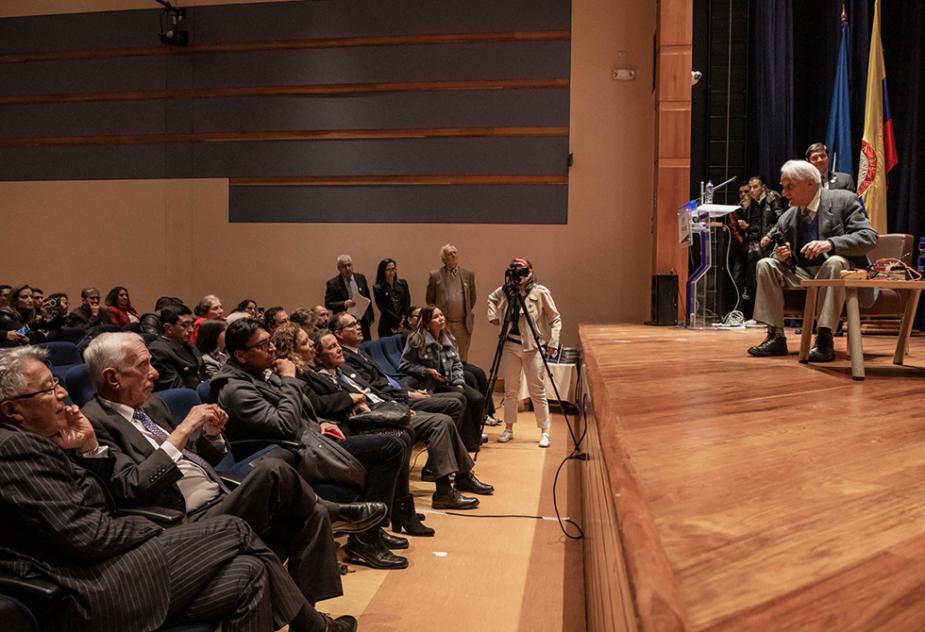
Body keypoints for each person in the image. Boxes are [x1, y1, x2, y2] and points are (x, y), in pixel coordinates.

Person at [0, 345, 355, 632]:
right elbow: (91, 531)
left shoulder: (48, 438)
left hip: (125, 552)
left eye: (56, 382)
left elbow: (92, 503)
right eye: (49, 387)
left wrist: (90, 449)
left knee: (250, 572)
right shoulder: (14, 449)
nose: (63, 392)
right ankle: (313, 624)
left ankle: (313, 618)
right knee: (238, 525)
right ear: (12, 411)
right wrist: (157, 528)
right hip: (93, 587)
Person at [79, 332, 384, 611]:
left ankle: (310, 620)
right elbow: (131, 487)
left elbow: (192, 460)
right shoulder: (95, 423)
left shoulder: (152, 405)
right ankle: (334, 513)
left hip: (219, 495)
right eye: (144, 365)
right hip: (183, 521)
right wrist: (183, 430)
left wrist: (211, 436)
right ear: (113, 378)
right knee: (273, 469)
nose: (154, 373)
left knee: (310, 516)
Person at [212, 318, 409, 570]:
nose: (272, 348)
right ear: (240, 355)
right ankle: (365, 540)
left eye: (270, 342)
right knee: (388, 447)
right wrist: (289, 379)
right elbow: (284, 425)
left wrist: (321, 422)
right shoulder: (235, 389)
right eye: (263, 345)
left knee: (395, 441)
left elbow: (303, 409)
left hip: (309, 441)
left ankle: (372, 532)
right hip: (290, 455)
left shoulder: (261, 373)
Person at [328, 313, 493, 509]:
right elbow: (371, 392)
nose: (358, 326)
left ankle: (455, 475)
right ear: (339, 333)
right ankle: (445, 489)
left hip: (392, 400)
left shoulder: (359, 353)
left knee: (455, 403)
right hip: (381, 410)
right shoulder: (343, 364)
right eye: (351, 325)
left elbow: (380, 385)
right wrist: (402, 400)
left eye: (357, 323)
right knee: (442, 420)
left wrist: (404, 395)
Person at [747, 159, 878, 361]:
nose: (784, 193)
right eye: (783, 187)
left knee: (834, 262)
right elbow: (778, 255)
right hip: (804, 275)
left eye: (789, 187)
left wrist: (830, 243)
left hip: (840, 273)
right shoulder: (788, 216)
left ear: (810, 183)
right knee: (766, 264)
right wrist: (782, 257)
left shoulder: (844, 200)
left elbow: (869, 237)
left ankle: (825, 338)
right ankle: (776, 336)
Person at [487, 258, 562, 448]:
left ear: (530, 271)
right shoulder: (507, 290)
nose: (518, 274)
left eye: (522, 270)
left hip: (532, 347)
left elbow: (555, 318)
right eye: (515, 270)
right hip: (510, 345)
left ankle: (545, 431)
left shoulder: (540, 291)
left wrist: (553, 342)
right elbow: (491, 298)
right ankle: (508, 428)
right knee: (510, 390)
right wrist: (493, 316)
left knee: (537, 390)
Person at [399, 305, 485, 452]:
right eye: (436, 317)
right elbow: (404, 365)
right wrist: (426, 371)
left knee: (478, 399)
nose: (441, 319)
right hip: (431, 384)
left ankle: (472, 436)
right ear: (427, 323)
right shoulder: (416, 339)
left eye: (441, 315)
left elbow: (457, 363)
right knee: (461, 396)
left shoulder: (448, 336)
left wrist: (458, 382)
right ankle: (466, 442)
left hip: (450, 381)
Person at [739, 176, 788, 303]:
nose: (751, 190)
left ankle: (771, 304)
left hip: (770, 242)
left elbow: (781, 220)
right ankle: (757, 306)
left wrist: (769, 235)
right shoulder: (751, 201)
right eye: (750, 187)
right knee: (755, 277)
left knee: (768, 275)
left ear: (763, 187)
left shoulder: (772, 197)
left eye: (755, 187)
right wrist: (747, 226)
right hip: (755, 242)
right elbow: (755, 223)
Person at [426, 244, 476, 361]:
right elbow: (429, 300)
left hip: (463, 324)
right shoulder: (435, 276)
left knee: (462, 357)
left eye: (455, 252)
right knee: (444, 355)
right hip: (444, 323)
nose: (453, 255)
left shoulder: (468, 275)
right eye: (450, 253)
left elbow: (472, 299)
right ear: (444, 259)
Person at [148, 303, 208, 390]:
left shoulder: (189, 345)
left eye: (192, 324)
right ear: (168, 328)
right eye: (185, 325)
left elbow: (203, 374)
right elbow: (176, 389)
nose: (191, 330)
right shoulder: (158, 351)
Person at [325, 254, 374, 341]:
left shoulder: (360, 278)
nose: (347, 268)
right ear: (339, 268)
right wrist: (344, 304)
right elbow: (328, 304)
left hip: (362, 319)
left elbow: (367, 297)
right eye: (344, 266)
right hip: (346, 323)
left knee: (367, 343)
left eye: (349, 265)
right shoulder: (333, 283)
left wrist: (371, 317)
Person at [373, 258, 411, 338]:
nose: (391, 272)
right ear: (382, 271)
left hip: (403, 323)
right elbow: (383, 309)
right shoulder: (378, 288)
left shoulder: (403, 283)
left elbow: (407, 302)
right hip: (387, 324)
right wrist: (398, 321)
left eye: (393, 269)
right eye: (388, 270)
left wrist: (404, 319)